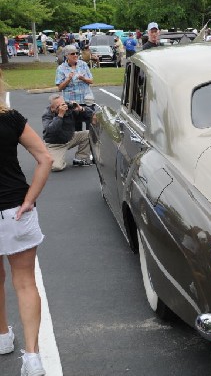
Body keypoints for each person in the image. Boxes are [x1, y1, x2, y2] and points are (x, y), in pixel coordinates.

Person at [0, 69, 53, 376]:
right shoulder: (11, 119)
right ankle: (32, 358)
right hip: (15, 210)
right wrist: (30, 199)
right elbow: (45, 158)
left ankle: (4, 336)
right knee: (25, 282)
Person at [42, 93, 93, 171]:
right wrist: (60, 115)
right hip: (55, 144)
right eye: (60, 105)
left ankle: (80, 158)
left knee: (89, 134)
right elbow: (51, 130)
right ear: (52, 107)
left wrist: (81, 109)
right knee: (56, 167)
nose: (64, 106)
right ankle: (52, 156)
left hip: (70, 138)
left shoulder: (69, 109)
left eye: (64, 103)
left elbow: (90, 116)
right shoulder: (47, 114)